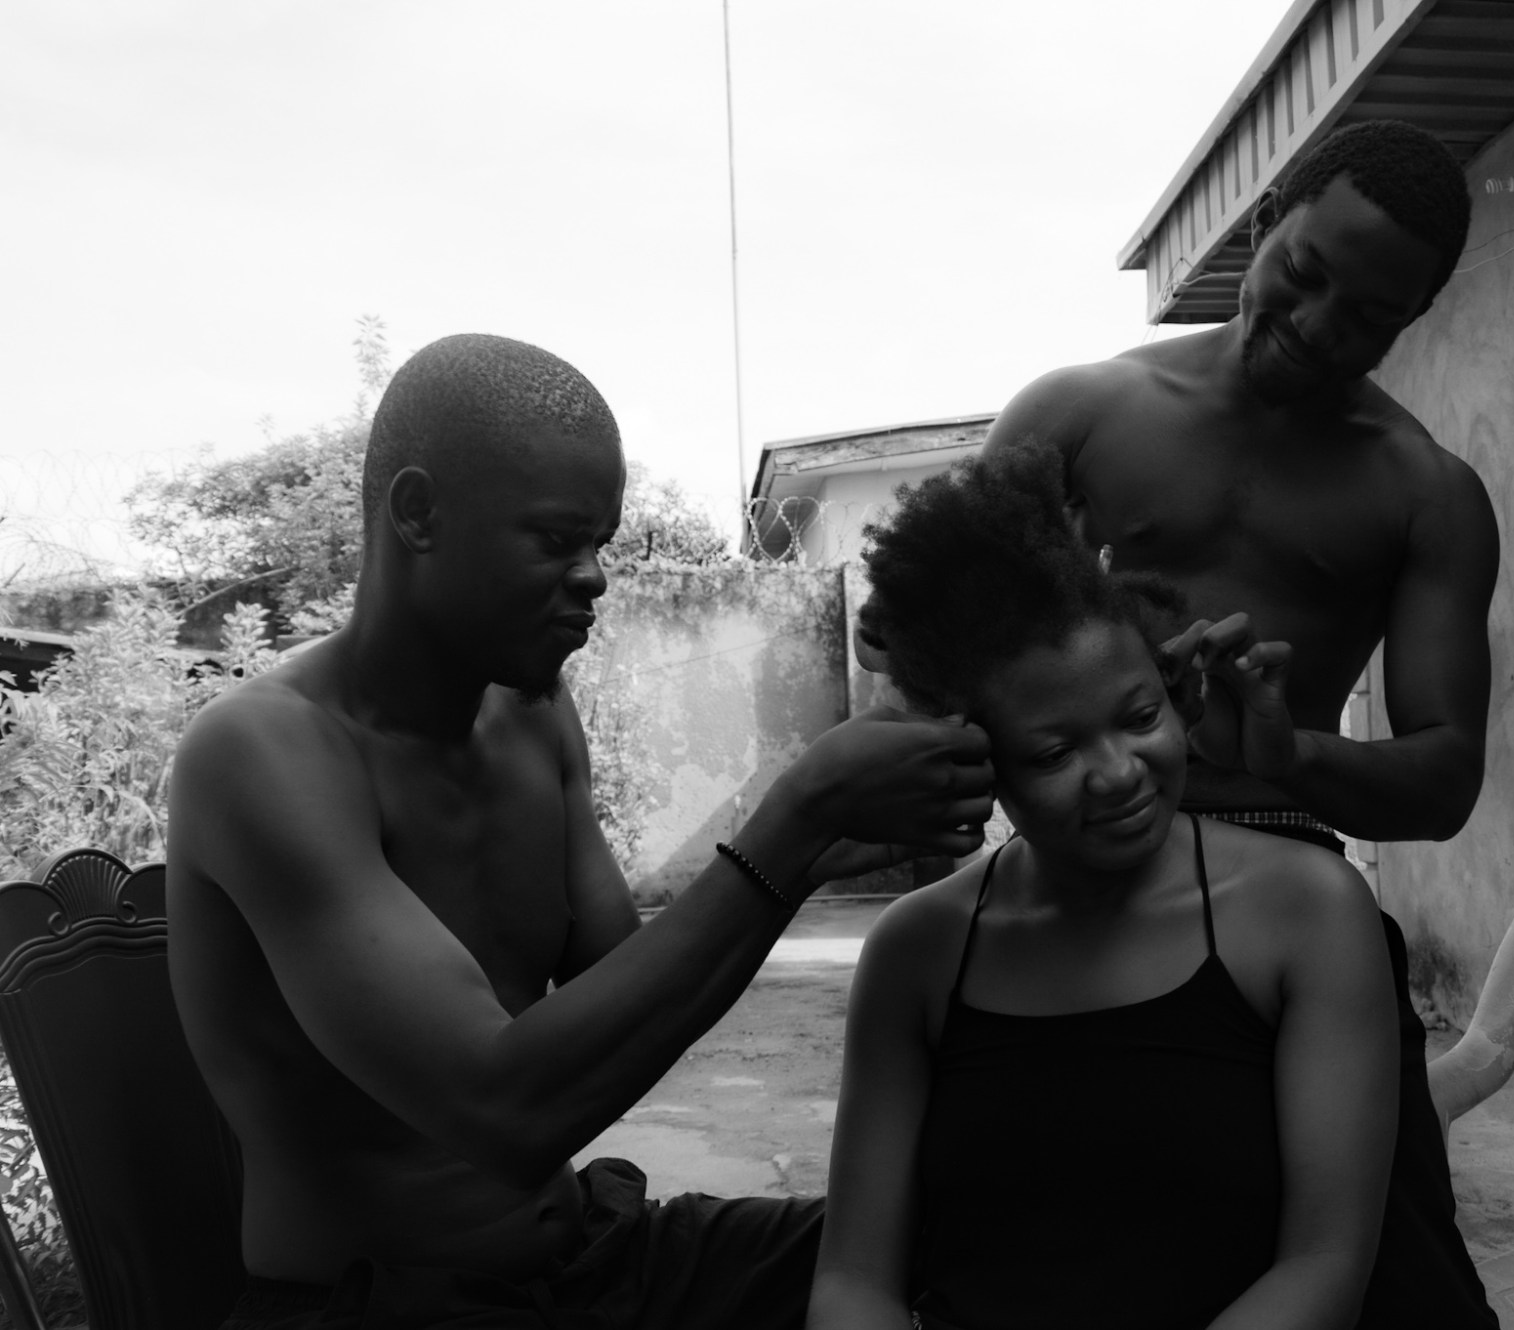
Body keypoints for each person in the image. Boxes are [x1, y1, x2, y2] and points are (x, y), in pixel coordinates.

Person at [167, 333, 994, 1328]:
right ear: (418, 514)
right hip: (385, 1302)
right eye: (556, 539)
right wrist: (789, 824)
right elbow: (504, 1112)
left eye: (600, 540)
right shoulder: (262, 754)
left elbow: (625, 992)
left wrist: (812, 854)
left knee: (978, 1233)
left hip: (589, 1260)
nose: (594, 576)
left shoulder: (531, 715)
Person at [969, 118, 1501, 1321]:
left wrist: (1290, 753)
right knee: (1031, 1255)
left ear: (1406, 325)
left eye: (1362, 317)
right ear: (1261, 226)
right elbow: (923, 645)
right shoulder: (1078, 414)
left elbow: (1444, 778)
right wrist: (1077, 658)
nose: (1313, 328)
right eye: (1302, 275)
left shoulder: (1422, 492)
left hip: (1285, 887)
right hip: (1067, 883)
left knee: (1392, 1283)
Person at [808, 443, 1400, 1330]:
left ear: (1177, 692)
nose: (1118, 773)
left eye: (1139, 716)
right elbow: (855, 1284)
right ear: (976, 758)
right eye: (1053, 752)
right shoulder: (917, 953)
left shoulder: (1308, 911)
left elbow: (1325, 1266)